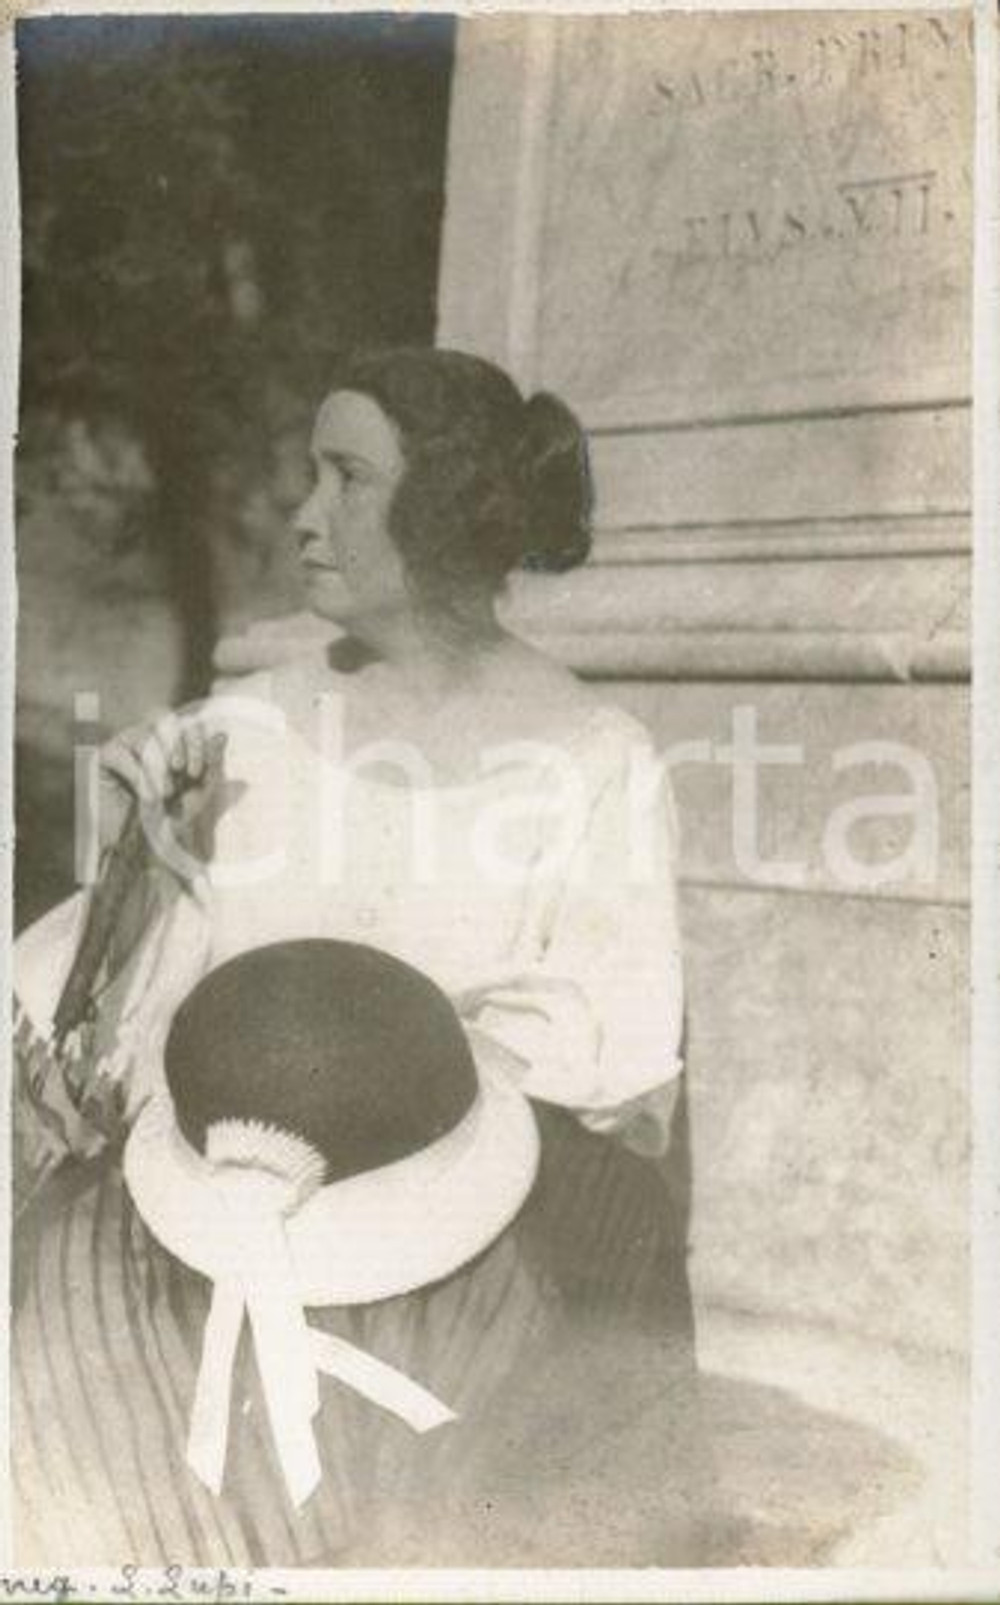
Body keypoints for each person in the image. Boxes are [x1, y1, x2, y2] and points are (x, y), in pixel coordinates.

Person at [12, 347, 713, 1567]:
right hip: (207, 1225)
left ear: (441, 508)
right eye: (308, 475)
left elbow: (617, 1080)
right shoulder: (242, 727)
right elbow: (109, 1046)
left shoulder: (594, 757)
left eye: (344, 478)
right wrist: (144, 860)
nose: (303, 514)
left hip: (460, 1245)